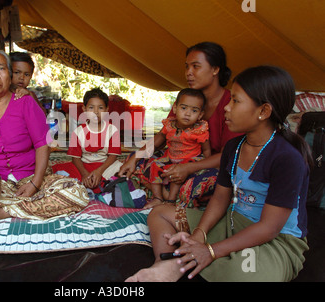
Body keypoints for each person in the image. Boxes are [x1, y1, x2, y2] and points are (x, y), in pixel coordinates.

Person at [126, 66, 312, 282]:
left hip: (273, 241)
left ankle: (193, 261)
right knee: (159, 213)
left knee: (244, 274)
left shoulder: (286, 158)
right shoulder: (234, 147)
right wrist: (199, 235)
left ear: (263, 111)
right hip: (231, 222)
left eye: (235, 101)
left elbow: (269, 228)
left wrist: (210, 251)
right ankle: (167, 265)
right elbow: (221, 197)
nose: (226, 108)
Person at [0, 50, 88, 225]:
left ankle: (3, 212)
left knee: (77, 193)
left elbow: (42, 144)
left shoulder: (25, 102)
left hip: (33, 179)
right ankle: (29, 207)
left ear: (9, 75)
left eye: (1, 69)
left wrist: (35, 184)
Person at [119, 41, 240, 208]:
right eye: (187, 67)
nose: (188, 73)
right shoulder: (186, 100)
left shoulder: (230, 104)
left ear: (215, 69)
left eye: (195, 66)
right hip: (177, 162)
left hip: (208, 166)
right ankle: (168, 194)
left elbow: (230, 155)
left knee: (210, 182)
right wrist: (136, 157)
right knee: (133, 161)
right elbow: (162, 136)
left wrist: (189, 169)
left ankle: (162, 193)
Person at [146, 88, 211, 209]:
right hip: (170, 156)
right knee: (153, 165)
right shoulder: (169, 125)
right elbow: (161, 137)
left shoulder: (199, 130)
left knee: (178, 172)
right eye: (184, 108)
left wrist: (206, 164)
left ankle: (171, 201)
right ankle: (157, 198)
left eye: (194, 110)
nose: (188, 113)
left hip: (190, 159)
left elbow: (206, 149)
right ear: (175, 108)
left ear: (200, 115)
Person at [52, 88, 122, 193]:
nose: (96, 112)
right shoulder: (78, 132)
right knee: (57, 170)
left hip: (105, 166)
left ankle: (96, 184)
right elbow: (75, 159)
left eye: (100, 108)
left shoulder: (112, 130)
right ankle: (99, 185)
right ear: (84, 109)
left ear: (107, 110)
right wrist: (84, 174)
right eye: (91, 108)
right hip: (83, 166)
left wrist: (99, 172)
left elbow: (112, 156)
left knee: (122, 168)